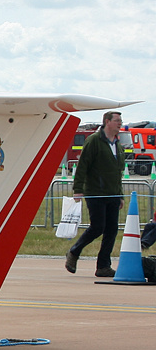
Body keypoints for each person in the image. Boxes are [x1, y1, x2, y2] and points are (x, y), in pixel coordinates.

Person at [67, 111, 126, 277]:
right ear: (107, 122)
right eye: (117, 120)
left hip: (113, 194)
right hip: (96, 193)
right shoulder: (94, 141)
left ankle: (103, 266)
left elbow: (117, 172)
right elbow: (83, 165)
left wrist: (120, 194)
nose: (120, 123)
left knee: (112, 230)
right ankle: (74, 251)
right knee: (97, 227)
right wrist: (78, 189)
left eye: (120, 120)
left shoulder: (117, 144)